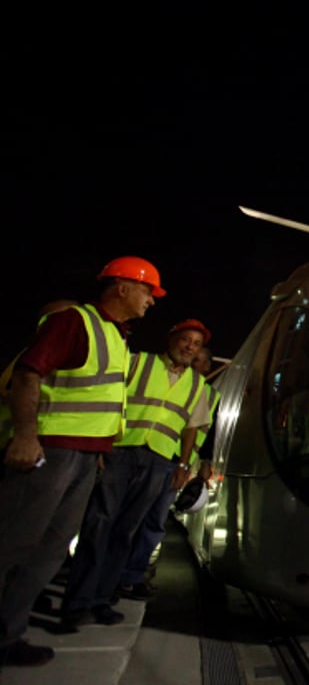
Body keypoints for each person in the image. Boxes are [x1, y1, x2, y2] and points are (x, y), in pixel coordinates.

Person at [0, 256, 163, 670]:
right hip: (51, 452)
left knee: (52, 548)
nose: (152, 301)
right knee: (15, 542)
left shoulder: (116, 336)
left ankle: (8, 635)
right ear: (122, 288)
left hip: (87, 457)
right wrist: (25, 435)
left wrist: (101, 452)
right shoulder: (76, 321)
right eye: (148, 290)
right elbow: (28, 372)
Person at [60, 316, 211, 629]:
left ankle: (102, 599)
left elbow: (191, 429)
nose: (190, 348)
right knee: (99, 524)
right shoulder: (138, 363)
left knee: (125, 530)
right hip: (120, 453)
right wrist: (101, 445)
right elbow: (108, 400)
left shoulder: (197, 385)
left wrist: (183, 465)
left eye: (196, 345)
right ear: (171, 338)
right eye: (186, 340)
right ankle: (76, 604)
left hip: (158, 461)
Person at [116, 322, 215, 600]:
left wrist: (190, 464)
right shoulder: (151, 368)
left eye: (199, 356)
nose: (194, 357)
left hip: (171, 462)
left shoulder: (204, 390)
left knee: (152, 520)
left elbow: (201, 430)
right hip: (145, 452)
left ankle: (129, 575)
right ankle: (115, 577)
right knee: (127, 519)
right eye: (189, 345)